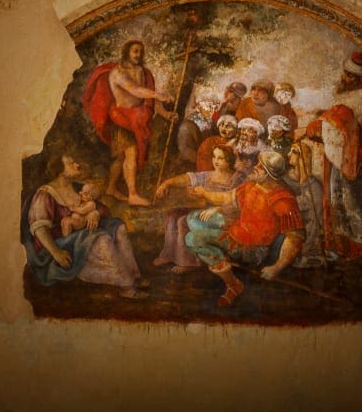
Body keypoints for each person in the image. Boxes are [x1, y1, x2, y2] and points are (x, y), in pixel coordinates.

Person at [302, 51, 362, 278]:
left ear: (353, 76)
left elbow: (339, 123)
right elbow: (339, 121)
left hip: (359, 163)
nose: (342, 77)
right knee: (343, 204)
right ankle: (354, 251)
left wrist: (313, 127)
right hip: (353, 160)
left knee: (360, 206)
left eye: (346, 74)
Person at [184, 151, 305, 307]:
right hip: (237, 229)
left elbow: (295, 238)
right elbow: (228, 197)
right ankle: (219, 255)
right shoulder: (253, 185)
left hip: (252, 248)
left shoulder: (282, 199)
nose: (255, 167)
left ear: (270, 174)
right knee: (192, 218)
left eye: (260, 167)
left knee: (192, 239)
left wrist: (277, 267)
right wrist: (206, 195)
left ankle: (233, 284)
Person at [21, 153, 149, 299]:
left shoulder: (78, 188)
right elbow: (40, 229)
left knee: (118, 227)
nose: (77, 165)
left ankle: (135, 275)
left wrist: (94, 213)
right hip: (62, 242)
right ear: (60, 171)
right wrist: (56, 252)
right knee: (103, 239)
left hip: (81, 233)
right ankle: (127, 285)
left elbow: (101, 209)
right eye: (71, 163)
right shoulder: (45, 194)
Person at [82, 39, 175, 206]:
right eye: (135, 51)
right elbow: (136, 90)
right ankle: (133, 194)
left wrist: (166, 114)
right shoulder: (118, 72)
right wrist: (158, 95)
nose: (138, 55)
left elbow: (149, 100)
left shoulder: (144, 72)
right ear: (126, 52)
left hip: (137, 120)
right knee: (131, 152)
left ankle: (111, 188)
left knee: (121, 158)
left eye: (140, 51)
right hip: (120, 118)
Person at [152, 144, 243, 274]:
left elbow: (238, 204)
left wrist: (217, 207)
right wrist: (168, 183)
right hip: (204, 213)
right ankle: (169, 253)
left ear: (229, 161)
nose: (215, 161)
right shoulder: (208, 175)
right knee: (173, 214)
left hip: (223, 216)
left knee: (182, 220)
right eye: (214, 157)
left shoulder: (236, 179)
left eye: (220, 158)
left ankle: (188, 262)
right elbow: (188, 178)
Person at [176, 92, 220, 169]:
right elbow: (184, 149)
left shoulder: (211, 123)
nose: (212, 110)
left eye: (214, 107)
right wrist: (203, 161)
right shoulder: (188, 124)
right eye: (209, 106)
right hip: (189, 164)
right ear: (199, 107)